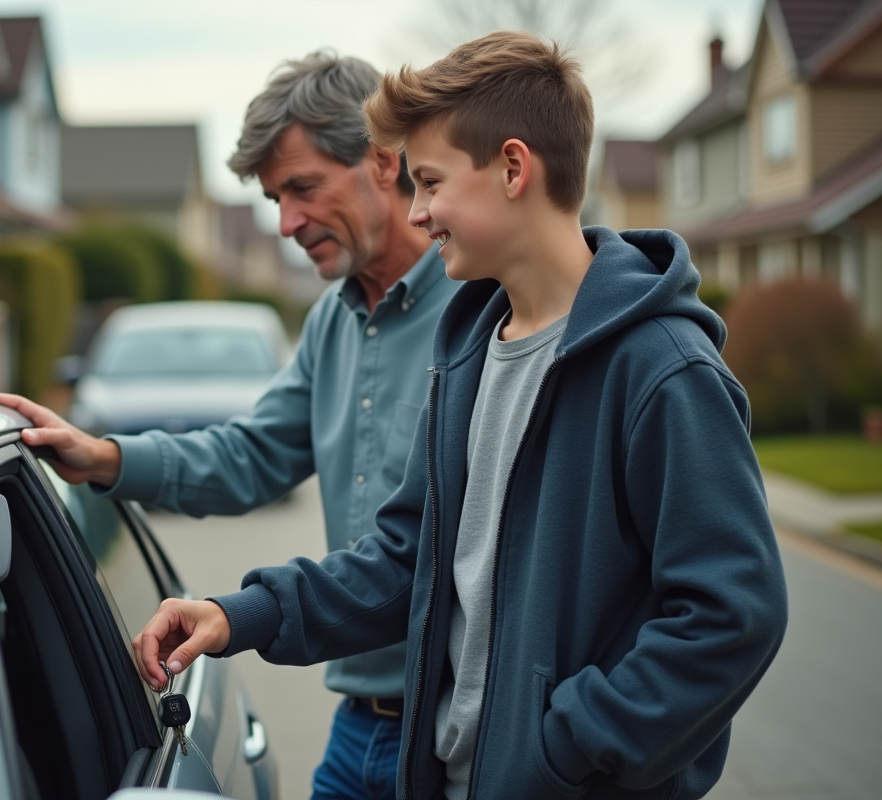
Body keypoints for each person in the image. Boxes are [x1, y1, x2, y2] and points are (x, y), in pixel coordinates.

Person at [131, 32, 789, 800]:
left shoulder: (661, 368)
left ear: (513, 168)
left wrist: (567, 747)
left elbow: (731, 615)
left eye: (431, 182)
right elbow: (408, 560)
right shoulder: (473, 353)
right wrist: (237, 614)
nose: (418, 211)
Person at [0, 52, 458, 800]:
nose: (288, 223)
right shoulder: (334, 320)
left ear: (383, 160)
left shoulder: (482, 309)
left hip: (462, 727)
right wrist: (101, 457)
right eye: (274, 198)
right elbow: (253, 455)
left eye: (302, 189)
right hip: (360, 723)